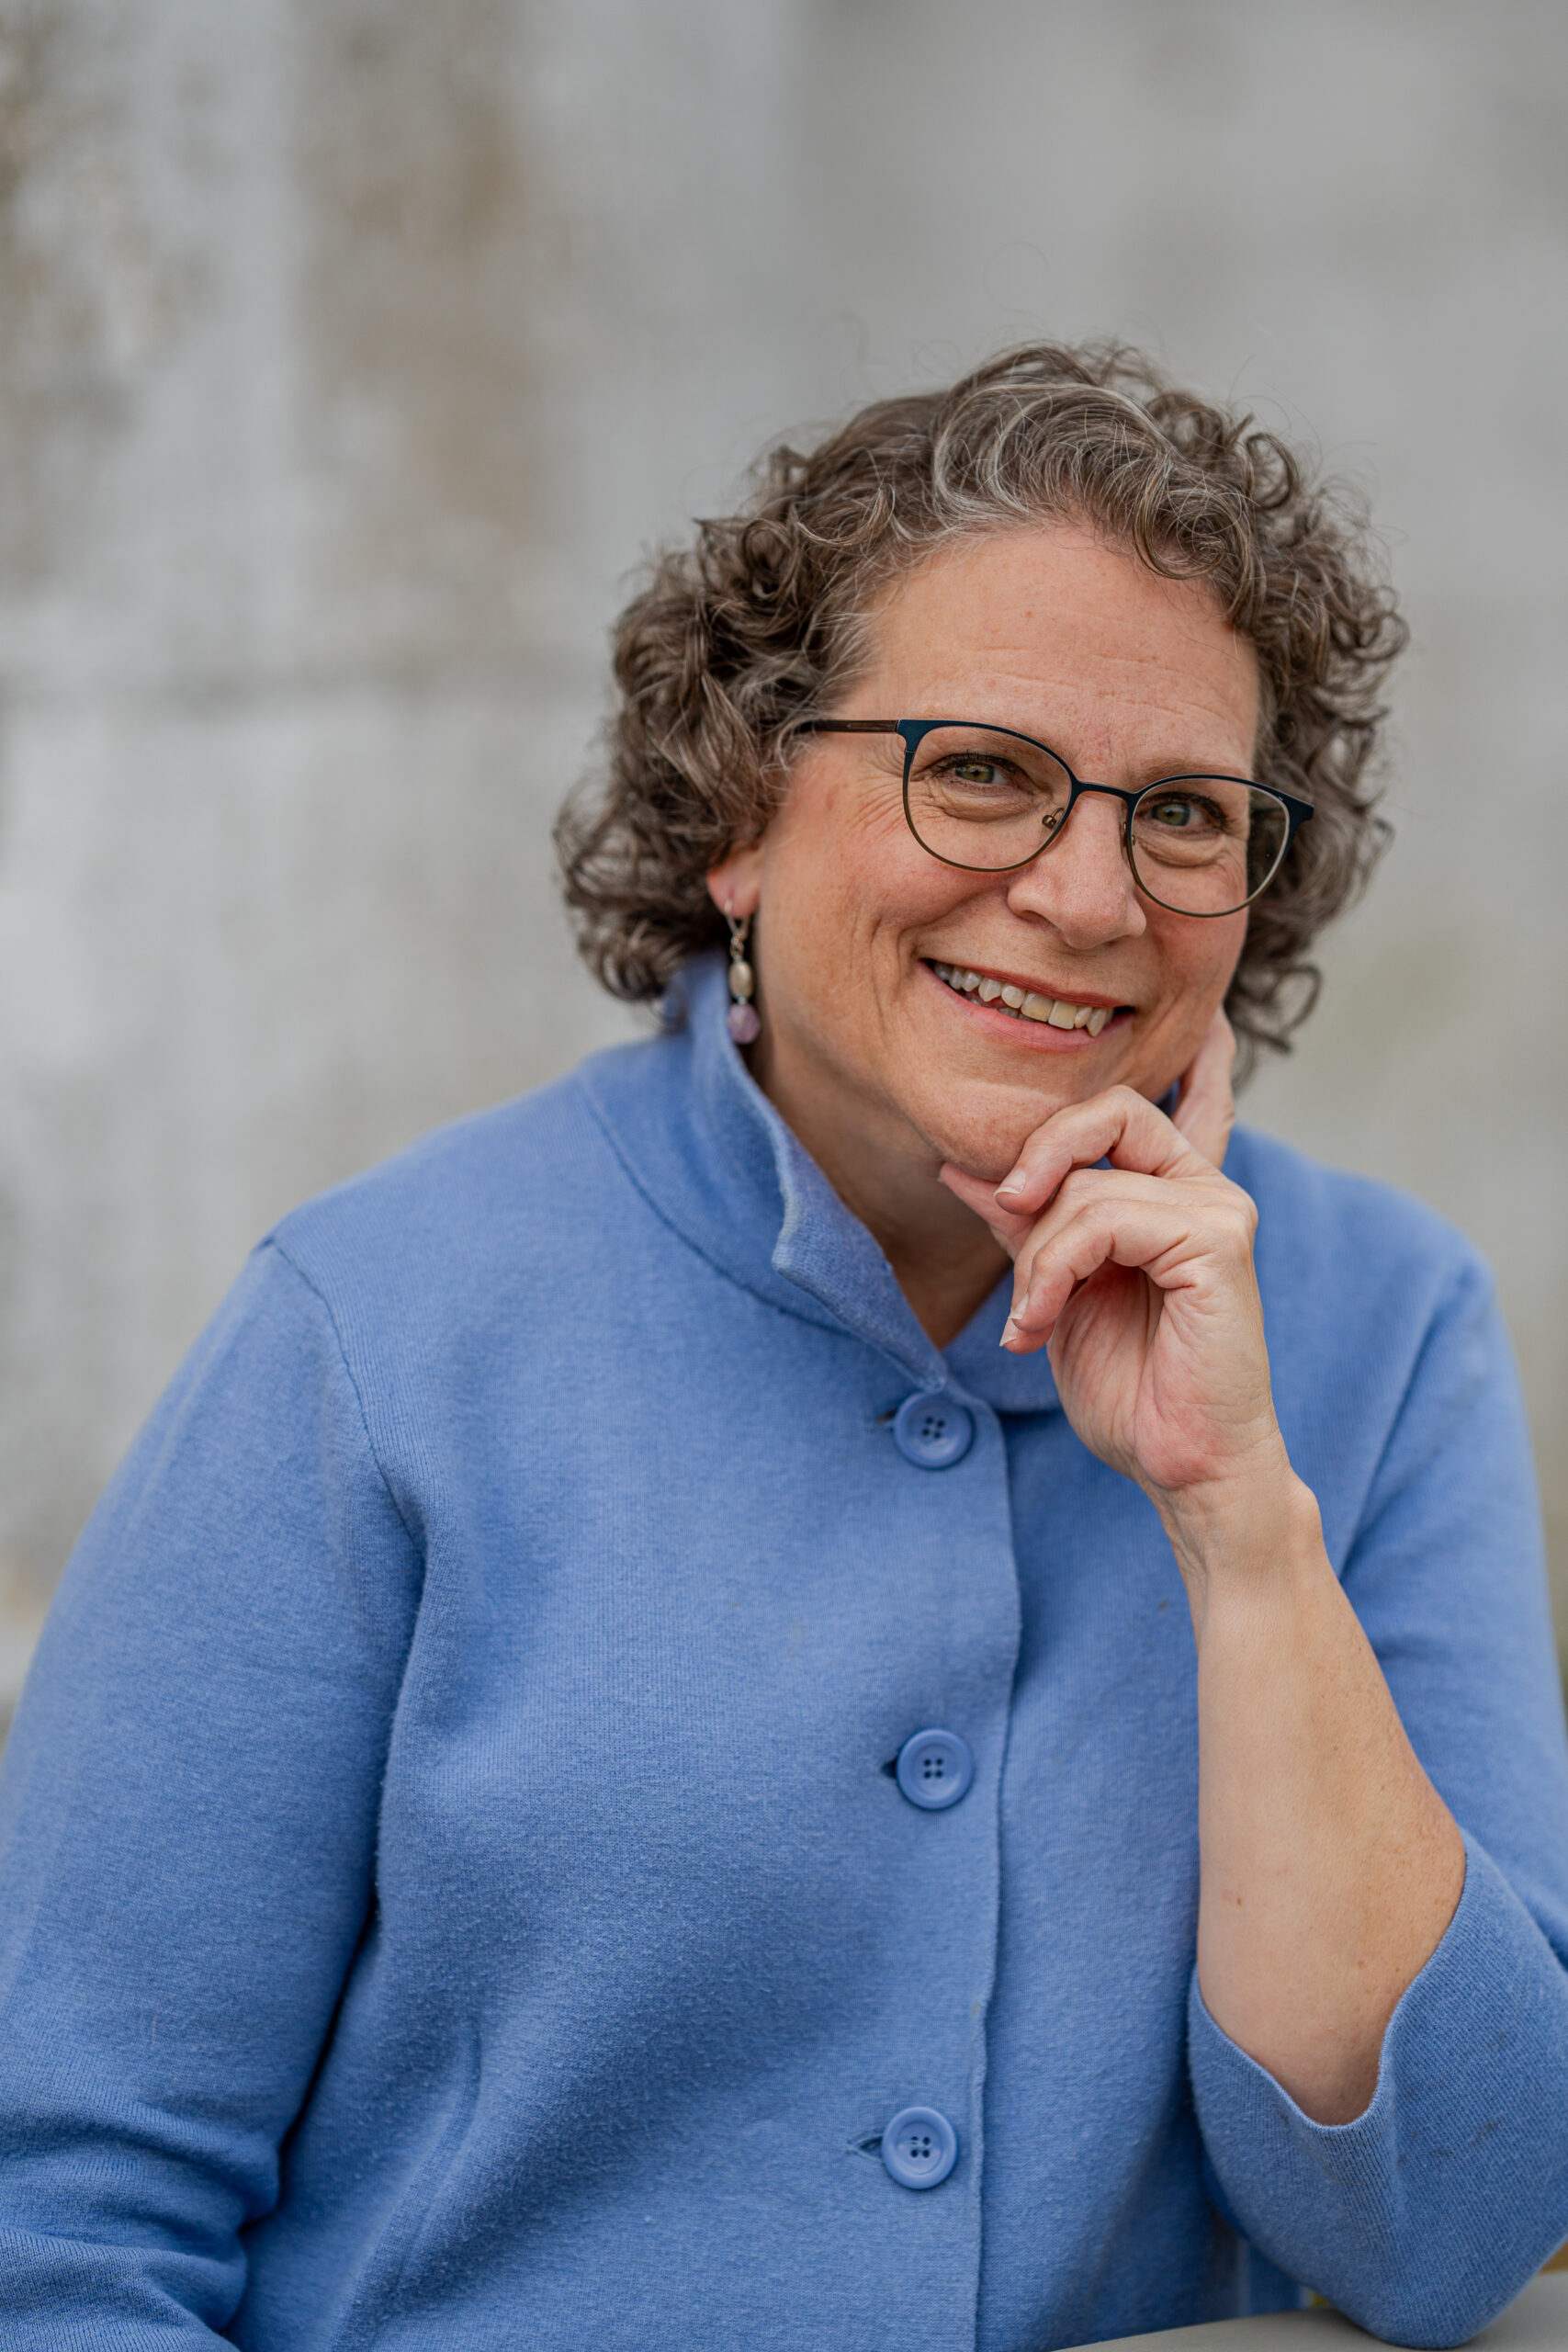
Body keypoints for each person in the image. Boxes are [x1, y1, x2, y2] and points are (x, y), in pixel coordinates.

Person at [2, 344, 1566, 2352]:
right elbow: (63, 2229)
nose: (1087, 893)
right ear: (737, 810)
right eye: (979, 769)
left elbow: (1457, 2227)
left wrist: (1234, 1526)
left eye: (1183, 812)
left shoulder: (1379, 1323)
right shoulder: (370, 1333)